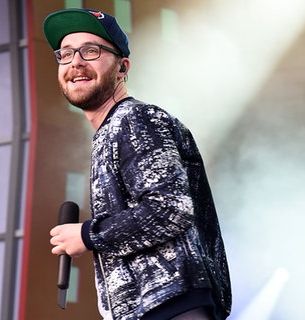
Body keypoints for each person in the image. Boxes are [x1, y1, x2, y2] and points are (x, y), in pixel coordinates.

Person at [44, 8, 232, 320]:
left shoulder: (135, 119)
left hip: (171, 306)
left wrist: (88, 235)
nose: (76, 62)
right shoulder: (110, 133)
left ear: (122, 67)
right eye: (65, 54)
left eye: (91, 51)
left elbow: (171, 208)